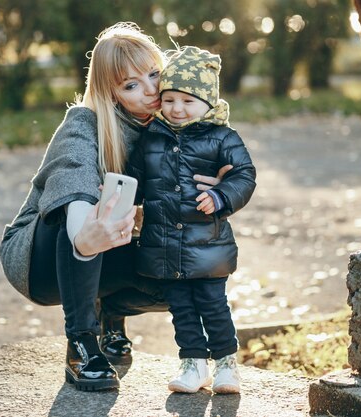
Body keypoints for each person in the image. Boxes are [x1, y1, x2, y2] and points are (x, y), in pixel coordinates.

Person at [0, 23, 230, 392]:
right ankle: (81, 345)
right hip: (39, 257)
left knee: (181, 270)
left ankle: (111, 314)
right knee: (84, 212)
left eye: (154, 74)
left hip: (111, 247)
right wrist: (83, 238)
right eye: (131, 84)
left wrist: (216, 190)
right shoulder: (85, 122)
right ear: (112, 93)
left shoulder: (175, 129)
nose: (151, 89)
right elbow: (72, 187)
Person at [126, 45, 256, 394]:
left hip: (208, 246)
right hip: (165, 244)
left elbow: (243, 176)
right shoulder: (152, 137)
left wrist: (221, 195)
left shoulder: (222, 137)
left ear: (207, 102)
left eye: (187, 101)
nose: (177, 109)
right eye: (169, 100)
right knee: (181, 310)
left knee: (214, 307)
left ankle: (227, 364)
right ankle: (193, 364)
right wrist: (119, 198)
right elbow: (135, 178)